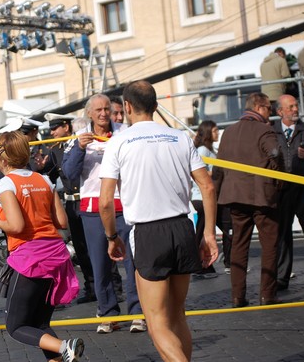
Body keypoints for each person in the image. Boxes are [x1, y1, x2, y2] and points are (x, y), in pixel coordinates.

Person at [99, 80, 218, 361]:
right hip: (182, 227)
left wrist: (111, 237)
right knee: (178, 316)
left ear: (126, 107)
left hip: (148, 232)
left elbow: (105, 202)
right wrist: (209, 234)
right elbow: (208, 187)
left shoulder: (118, 143)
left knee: (157, 324)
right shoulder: (180, 137)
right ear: (154, 105)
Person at [0, 131, 84, 362]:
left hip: (30, 259)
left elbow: (17, 226)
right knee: (40, 324)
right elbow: (61, 222)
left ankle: (65, 346)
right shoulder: (44, 180)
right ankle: (63, 351)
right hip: (56, 256)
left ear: (2, 157)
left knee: (16, 326)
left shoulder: (6, 183)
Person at [62, 93, 141, 334]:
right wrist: (79, 148)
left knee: (132, 263)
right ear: (89, 113)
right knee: (100, 265)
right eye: (98, 110)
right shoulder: (78, 138)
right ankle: (108, 312)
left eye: (107, 108)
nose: (104, 113)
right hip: (92, 210)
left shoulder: (125, 133)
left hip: (124, 207)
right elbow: (69, 174)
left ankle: (137, 312)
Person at [216, 92, 282, 307]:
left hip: (235, 196)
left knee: (239, 246)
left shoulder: (229, 132)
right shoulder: (264, 130)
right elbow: (274, 152)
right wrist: (277, 180)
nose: (270, 115)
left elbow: (219, 167)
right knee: (270, 245)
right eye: (269, 110)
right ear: (260, 107)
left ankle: (237, 297)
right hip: (262, 197)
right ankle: (267, 294)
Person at [44, 113, 96, 305]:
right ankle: (91, 287)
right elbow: (46, 173)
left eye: (55, 128)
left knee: (97, 246)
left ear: (67, 127)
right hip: (71, 203)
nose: (52, 132)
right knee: (81, 248)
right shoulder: (55, 149)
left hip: (86, 199)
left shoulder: (82, 143)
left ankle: (112, 286)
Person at [273, 95, 304, 293]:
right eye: (290, 106)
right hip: (282, 192)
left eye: (296, 105)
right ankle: (281, 278)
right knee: (282, 235)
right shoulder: (271, 132)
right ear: (280, 112)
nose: (295, 109)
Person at [190, 121, 234, 277]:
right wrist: (217, 174)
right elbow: (198, 172)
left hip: (208, 198)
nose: (217, 133)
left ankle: (212, 264)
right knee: (202, 232)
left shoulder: (210, 150)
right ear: (208, 132)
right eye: (215, 130)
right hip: (201, 198)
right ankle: (201, 266)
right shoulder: (203, 150)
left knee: (210, 230)